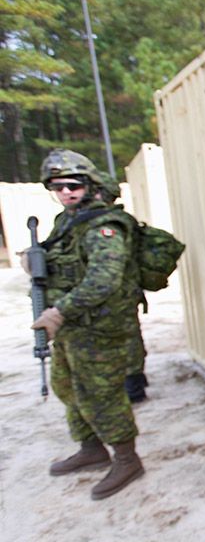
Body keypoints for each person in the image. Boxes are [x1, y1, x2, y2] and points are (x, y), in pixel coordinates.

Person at [34, 149, 145, 500]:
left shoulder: (103, 226)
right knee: (67, 387)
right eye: (57, 186)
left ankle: (127, 460)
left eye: (72, 185)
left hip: (100, 329)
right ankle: (91, 448)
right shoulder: (66, 221)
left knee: (102, 395)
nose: (65, 192)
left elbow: (104, 279)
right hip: (73, 328)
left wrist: (59, 311)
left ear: (89, 184)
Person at [91, 168, 149, 404]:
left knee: (129, 339)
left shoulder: (116, 222)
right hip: (111, 293)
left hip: (121, 292)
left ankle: (134, 386)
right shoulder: (94, 221)